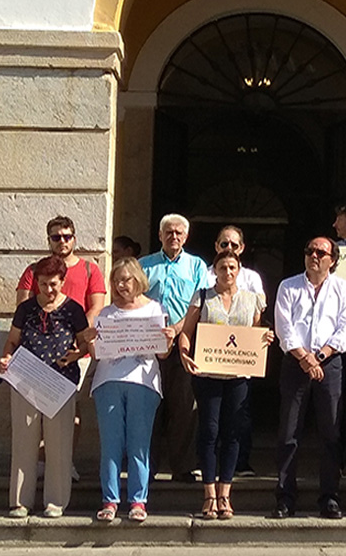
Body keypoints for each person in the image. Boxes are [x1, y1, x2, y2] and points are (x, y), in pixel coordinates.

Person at [178, 250, 274, 520]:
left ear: (239, 270)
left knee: (233, 433)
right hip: (208, 375)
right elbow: (186, 332)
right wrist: (185, 353)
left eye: (232, 267)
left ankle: (225, 494)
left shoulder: (252, 300)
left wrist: (265, 339)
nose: (228, 272)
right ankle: (208, 493)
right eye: (223, 267)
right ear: (216, 270)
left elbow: (255, 333)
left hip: (238, 376)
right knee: (209, 431)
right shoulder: (203, 296)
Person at [0, 256, 95, 519]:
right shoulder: (26, 309)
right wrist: (6, 357)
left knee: (59, 445)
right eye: (43, 284)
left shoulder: (73, 309)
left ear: (62, 282)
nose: (48, 290)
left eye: (53, 284)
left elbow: (85, 344)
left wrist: (76, 354)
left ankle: (56, 501)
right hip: (25, 381)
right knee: (24, 443)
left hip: (59, 384)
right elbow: (13, 341)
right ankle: (20, 501)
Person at [16, 215, 106, 482]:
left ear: (74, 238)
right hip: (37, 354)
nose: (62, 241)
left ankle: (64, 461)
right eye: (56, 237)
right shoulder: (33, 271)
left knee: (71, 412)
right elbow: (23, 308)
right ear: (49, 240)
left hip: (76, 353)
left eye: (67, 236)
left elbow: (97, 307)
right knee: (35, 413)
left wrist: (76, 337)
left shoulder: (90, 270)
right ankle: (38, 465)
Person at [272, 237, 346, 519]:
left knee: (331, 433)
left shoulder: (343, 288)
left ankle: (330, 497)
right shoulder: (289, 286)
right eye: (310, 251)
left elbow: (345, 328)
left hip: (329, 364)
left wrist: (319, 357)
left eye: (321, 252)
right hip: (295, 363)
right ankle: (285, 496)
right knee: (288, 432)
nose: (314, 256)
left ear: (333, 259)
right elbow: (285, 328)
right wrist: (305, 359)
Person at [91, 258, 168, 523]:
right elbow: (96, 352)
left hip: (142, 383)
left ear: (138, 279)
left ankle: (138, 500)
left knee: (139, 444)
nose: (122, 285)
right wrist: (92, 342)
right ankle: (110, 500)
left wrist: (165, 339)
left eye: (127, 279)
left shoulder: (153, 309)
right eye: (117, 280)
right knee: (111, 445)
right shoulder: (106, 313)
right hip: (108, 382)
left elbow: (163, 352)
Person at [140, 213, 209, 482]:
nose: (174, 236)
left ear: (186, 236)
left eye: (179, 232)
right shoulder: (144, 265)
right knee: (149, 407)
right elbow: (134, 299)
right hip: (148, 345)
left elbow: (200, 305)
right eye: (169, 232)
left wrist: (176, 331)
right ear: (160, 235)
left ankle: (182, 466)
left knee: (184, 408)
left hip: (184, 344)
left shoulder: (196, 266)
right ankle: (148, 466)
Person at [207, 225, 267, 477]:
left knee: (239, 414)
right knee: (210, 420)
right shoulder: (206, 275)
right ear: (216, 246)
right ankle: (209, 465)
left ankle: (240, 462)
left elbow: (258, 315)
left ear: (241, 248)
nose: (229, 249)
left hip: (240, 356)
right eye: (224, 244)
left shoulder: (252, 278)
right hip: (210, 357)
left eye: (233, 245)